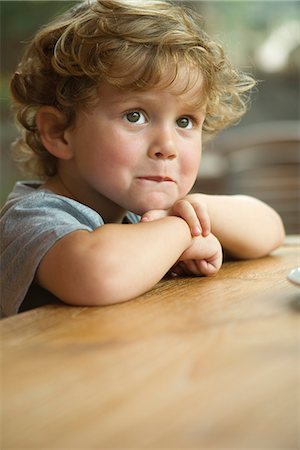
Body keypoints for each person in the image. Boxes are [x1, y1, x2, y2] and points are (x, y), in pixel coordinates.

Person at [0, 0, 285, 317]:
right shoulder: (32, 217)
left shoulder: (140, 213)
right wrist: (183, 231)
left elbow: (270, 228)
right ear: (59, 132)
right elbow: (98, 274)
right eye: (135, 116)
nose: (167, 145)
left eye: (184, 122)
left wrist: (193, 211)